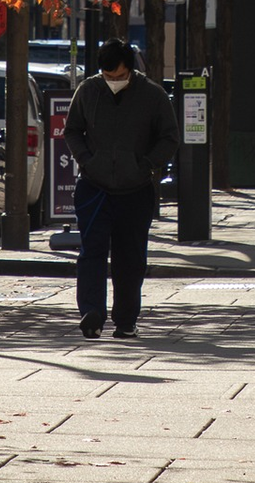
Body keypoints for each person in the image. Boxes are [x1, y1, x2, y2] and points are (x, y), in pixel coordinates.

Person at [64, 38, 180, 339]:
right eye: (107, 76)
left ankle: (126, 319)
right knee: (92, 252)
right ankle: (92, 312)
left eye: (118, 76)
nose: (113, 81)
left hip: (136, 188)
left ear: (130, 69)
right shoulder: (88, 91)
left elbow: (169, 137)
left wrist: (147, 164)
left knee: (130, 258)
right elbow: (73, 130)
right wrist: (87, 161)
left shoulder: (152, 95)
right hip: (94, 186)